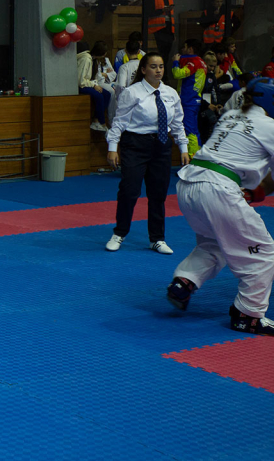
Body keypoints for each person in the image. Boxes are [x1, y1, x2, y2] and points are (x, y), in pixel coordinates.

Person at [165, 78, 274, 336]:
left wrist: (254, 191)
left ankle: (185, 281)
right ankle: (248, 315)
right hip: (217, 189)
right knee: (263, 252)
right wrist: (258, 192)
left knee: (215, 241)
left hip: (188, 184)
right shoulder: (269, 126)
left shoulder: (230, 115)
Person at [104, 52, 190, 254]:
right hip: (135, 144)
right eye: (153, 66)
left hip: (161, 145)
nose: (158, 70)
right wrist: (112, 148)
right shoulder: (132, 92)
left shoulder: (170, 93)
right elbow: (119, 122)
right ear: (143, 70)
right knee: (129, 191)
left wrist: (183, 148)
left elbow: (177, 123)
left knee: (158, 194)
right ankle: (119, 233)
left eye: (161, 66)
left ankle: (157, 239)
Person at [172, 38, 206, 157]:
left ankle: (192, 157)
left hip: (188, 101)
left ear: (190, 49)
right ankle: (198, 156)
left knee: (189, 130)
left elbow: (177, 74)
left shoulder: (193, 62)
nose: (182, 50)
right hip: (194, 100)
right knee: (194, 130)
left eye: (184, 47)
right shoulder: (201, 61)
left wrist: (175, 62)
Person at [78, 41, 116, 132]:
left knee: (107, 94)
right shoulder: (86, 59)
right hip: (81, 86)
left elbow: (95, 77)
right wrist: (94, 85)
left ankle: (96, 120)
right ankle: (102, 123)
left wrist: (95, 84)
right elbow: (81, 81)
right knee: (99, 96)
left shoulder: (94, 60)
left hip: (89, 84)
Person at [146, 0, 176, 65]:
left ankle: (164, 70)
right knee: (160, 53)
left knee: (166, 54)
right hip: (158, 30)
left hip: (168, 29)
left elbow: (171, 17)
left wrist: (173, 32)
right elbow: (148, 13)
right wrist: (162, 10)